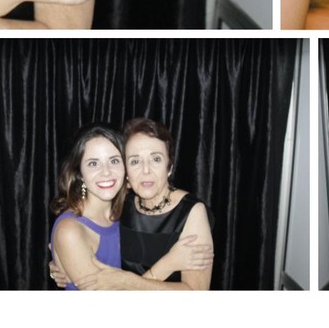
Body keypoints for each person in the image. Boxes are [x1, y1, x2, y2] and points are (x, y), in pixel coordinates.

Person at [59, 117, 214, 290]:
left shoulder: (192, 212)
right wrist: (64, 259)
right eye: (135, 161)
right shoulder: (121, 204)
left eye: (156, 159)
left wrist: (128, 281)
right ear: (126, 171)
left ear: (169, 167)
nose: (146, 170)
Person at [49, 124, 127, 289]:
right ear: (80, 174)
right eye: (93, 163)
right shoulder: (70, 229)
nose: (106, 172)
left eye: (114, 161)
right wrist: (169, 263)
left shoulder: (129, 210)